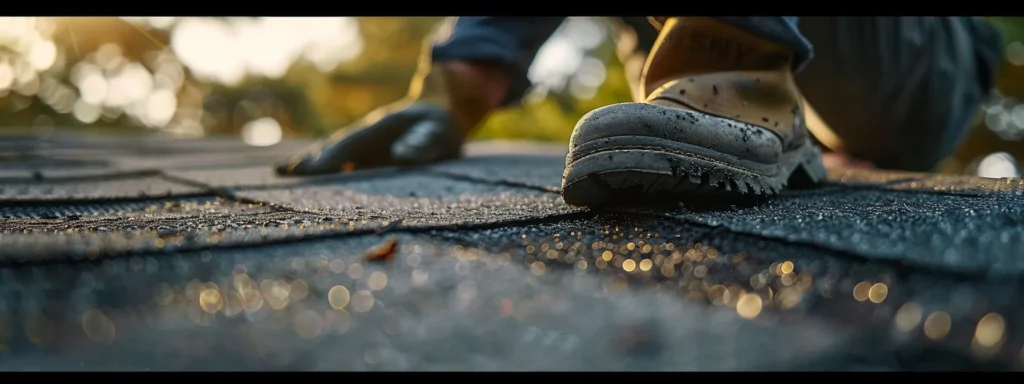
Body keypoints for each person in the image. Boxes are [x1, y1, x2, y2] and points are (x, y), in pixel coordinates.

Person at [274, 17, 1004, 206]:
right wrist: (460, 85)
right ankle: (732, 66)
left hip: (914, 57)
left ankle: (743, 63)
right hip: (681, 73)